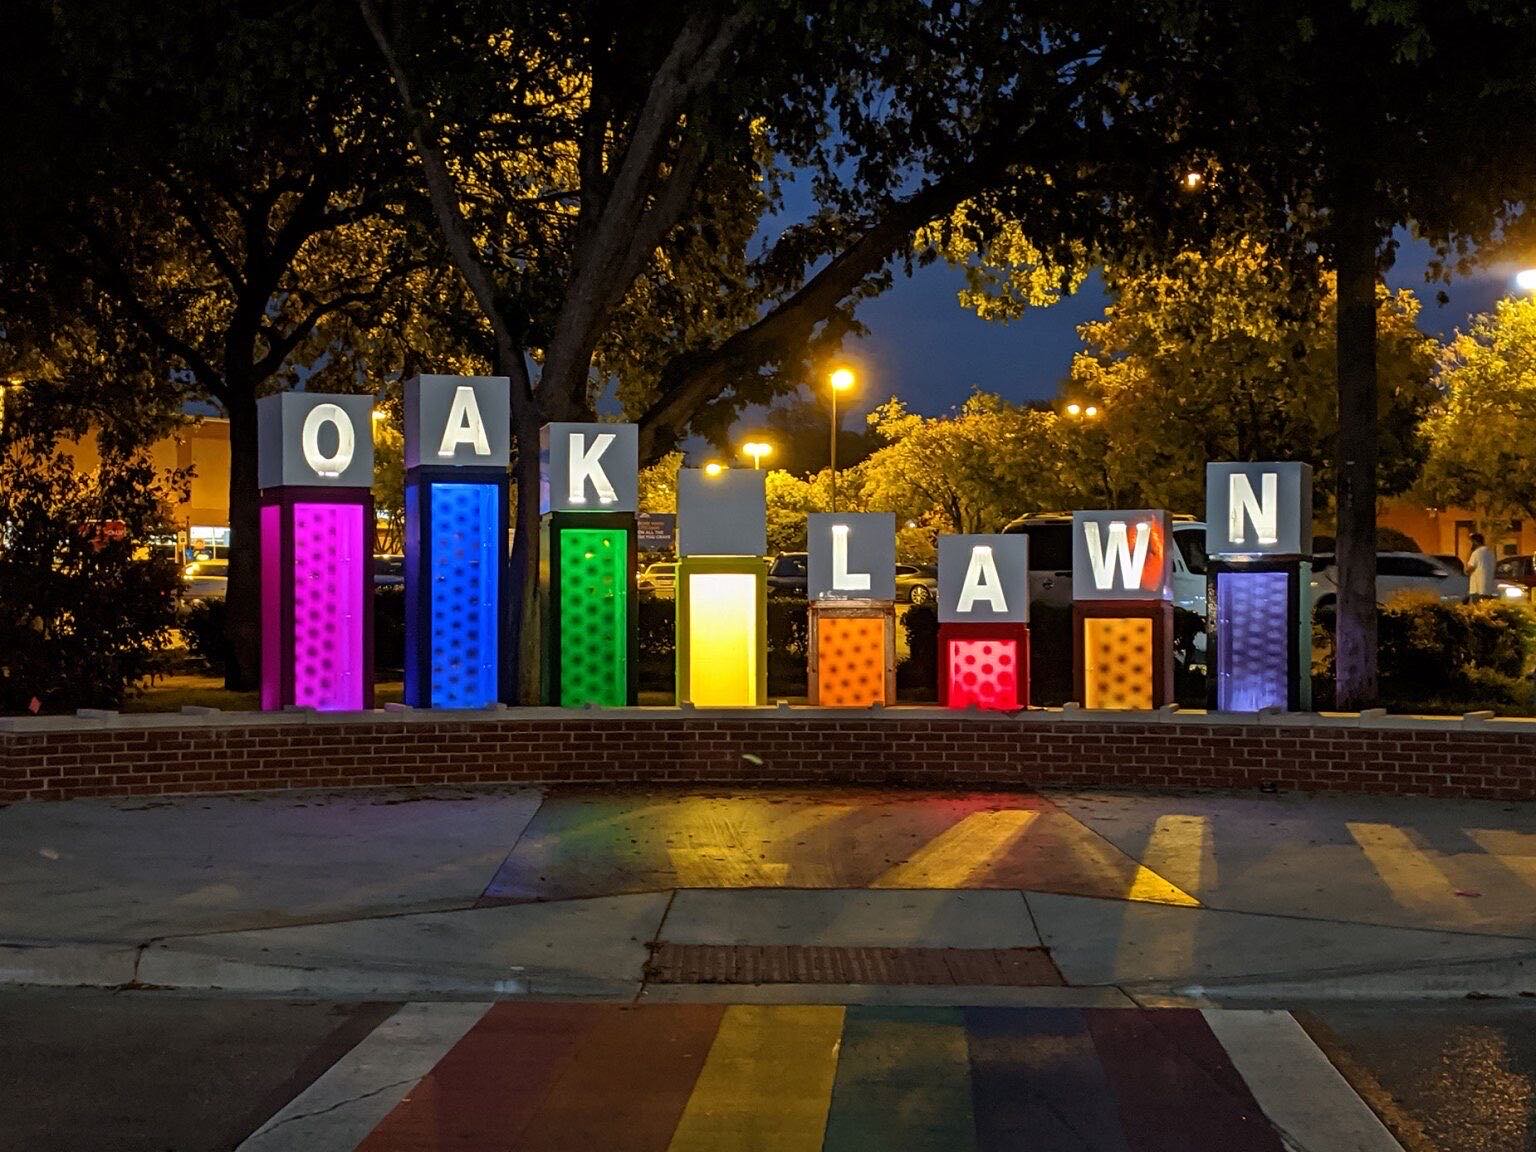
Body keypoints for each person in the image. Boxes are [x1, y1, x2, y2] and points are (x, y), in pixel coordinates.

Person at [1466, 532, 1497, 600]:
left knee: (1477, 605)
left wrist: (1466, 571)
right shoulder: (1490, 553)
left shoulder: (1476, 553)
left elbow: (1470, 567)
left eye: (1470, 542)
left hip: (1477, 589)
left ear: (1474, 542)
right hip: (1489, 588)